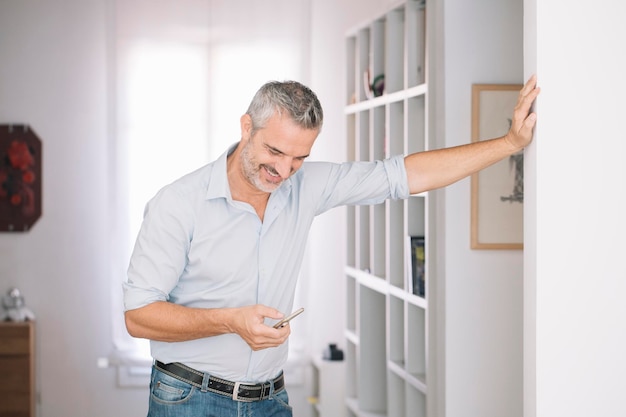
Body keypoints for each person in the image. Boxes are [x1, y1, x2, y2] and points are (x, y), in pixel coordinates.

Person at [123, 75, 540, 417]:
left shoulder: (308, 185)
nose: (284, 170)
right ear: (246, 127)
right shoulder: (178, 204)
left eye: (299, 157)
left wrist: (509, 144)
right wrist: (230, 321)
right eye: (275, 151)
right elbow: (138, 317)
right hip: (190, 400)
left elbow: (403, 175)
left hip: (270, 400)